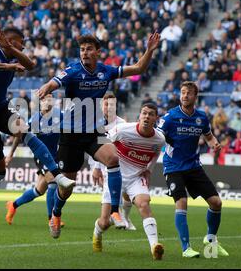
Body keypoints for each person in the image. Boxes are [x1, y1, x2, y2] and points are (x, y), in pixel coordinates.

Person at [37, 33, 160, 239]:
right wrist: (47, 87)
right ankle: (56, 214)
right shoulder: (74, 71)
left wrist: (149, 51)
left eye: (89, 49)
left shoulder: (106, 71)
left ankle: (114, 210)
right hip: (71, 134)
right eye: (82, 49)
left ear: (97, 52)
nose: (85, 52)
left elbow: (139, 68)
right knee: (67, 186)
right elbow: (55, 81)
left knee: (113, 159)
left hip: (95, 131)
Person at [0, 27, 75, 214]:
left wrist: (12, 50)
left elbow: (31, 65)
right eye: (21, 42)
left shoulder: (13, 55)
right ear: (11, 40)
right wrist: (7, 66)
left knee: (24, 130)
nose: (24, 46)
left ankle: (57, 176)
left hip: (1, 109)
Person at [158, 81, 229, 258]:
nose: (185, 96)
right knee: (182, 203)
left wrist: (214, 144)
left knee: (216, 203)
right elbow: (156, 135)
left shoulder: (201, 117)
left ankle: (210, 239)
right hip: (173, 167)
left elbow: (208, 136)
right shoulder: (170, 117)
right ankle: (186, 248)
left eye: (188, 93)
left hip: (193, 166)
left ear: (195, 97)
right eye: (182, 92)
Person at [92, 103, 165, 260]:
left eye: (150, 114)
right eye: (144, 113)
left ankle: (155, 246)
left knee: (144, 203)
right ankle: (97, 233)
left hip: (136, 178)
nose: (146, 116)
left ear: (156, 119)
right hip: (114, 174)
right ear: (139, 115)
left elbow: (156, 153)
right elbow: (100, 141)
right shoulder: (123, 129)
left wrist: (149, 170)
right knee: (105, 223)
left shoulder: (159, 139)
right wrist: (98, 167)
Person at [4, 93, 64, 227]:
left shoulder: (60, 116)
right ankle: (52, 219)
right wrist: (10, 154)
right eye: (46, 98)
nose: (49, 100)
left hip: (55, 157)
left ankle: (13, 205)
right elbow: (19, 135)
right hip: (41, 157)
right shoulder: (34, 120)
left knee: (39, 190)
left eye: (51, 98)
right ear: (41, 102)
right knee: (53, 182)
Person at [89, 93, 133, 230]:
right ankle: (114, 213)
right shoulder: (97, 123)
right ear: (102, 105)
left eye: (112, 104)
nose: (109, 107)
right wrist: (96, 167)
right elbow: (99, 144)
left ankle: (120, 214)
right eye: (107, 104)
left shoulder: (122, 124)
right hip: (100, 160)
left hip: (119, 161)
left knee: (123, 192)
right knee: (108, 187)